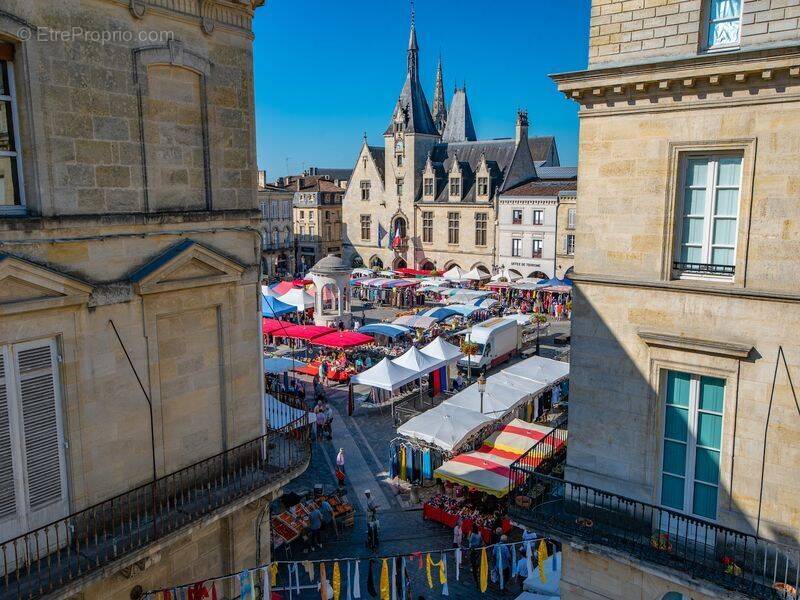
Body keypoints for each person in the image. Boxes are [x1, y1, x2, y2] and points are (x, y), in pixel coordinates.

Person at [468, 524, 482, 589]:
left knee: (472, 559)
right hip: (478, 549)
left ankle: (473, 568)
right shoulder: (479, 533)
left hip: (473, 549)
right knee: (477, 559)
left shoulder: (473, 534)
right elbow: (481, 540)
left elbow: (470, 540)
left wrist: (469, 534)